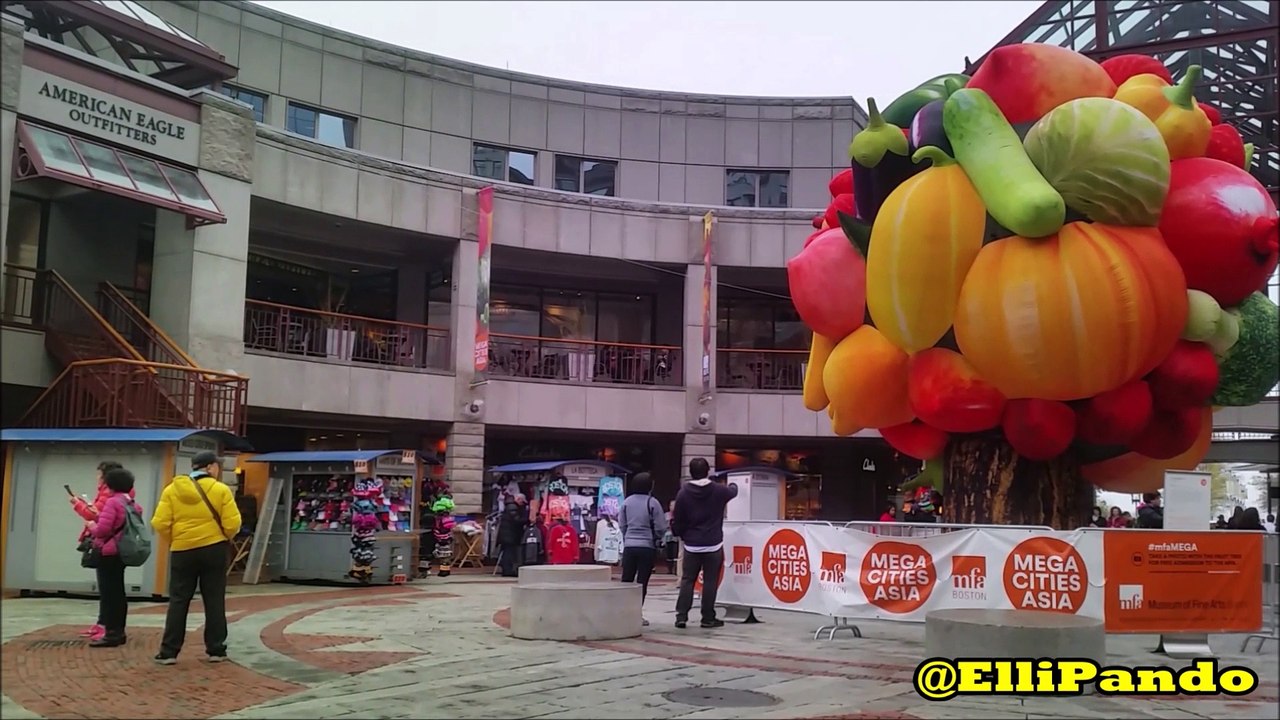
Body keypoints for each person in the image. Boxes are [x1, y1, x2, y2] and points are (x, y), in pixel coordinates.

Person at [151, 451, 242, 665]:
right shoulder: (221, 490)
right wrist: (223, 536)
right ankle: (216, 650)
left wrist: (176, 539)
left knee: (179, 600)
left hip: (182, 550)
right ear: (210, 467)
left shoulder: (172, 489)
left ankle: (169, 652)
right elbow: (233, 523)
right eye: (217, 466)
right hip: (213, 548)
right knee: (214, 599)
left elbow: (160, 522)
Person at [671, 458, 738, 630]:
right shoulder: (719, 490)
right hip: (713, 543)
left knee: (687, 580)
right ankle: (708, 617)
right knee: (710, 581)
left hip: (691, 544)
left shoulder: (683, 493)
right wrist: (732, 484)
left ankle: (681, 616)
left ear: (690, 472)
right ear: (708, 471)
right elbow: (733, 491)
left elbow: (678, 520)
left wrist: (682, 535)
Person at [86, 467, 143, 648]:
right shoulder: (132, 504)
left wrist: (91, 525)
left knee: (109, 594)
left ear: (110, 485)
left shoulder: (112, 503)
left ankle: (111, 633)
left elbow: (103, 530)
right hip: (122, 551)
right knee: (119, 593)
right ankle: (119, 630)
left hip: (109, 552)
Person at [69, 460, 125, 641]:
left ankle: (110, 628)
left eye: (99, 474)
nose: (97, 478)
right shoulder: (124, 498)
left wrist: (79, 506)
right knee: (112, 588)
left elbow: (101, 525)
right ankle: (106, 625)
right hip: (116, 546)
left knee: (110, 589)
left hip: (108, 547)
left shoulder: (111, 499)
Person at [618, 472, 668, 626]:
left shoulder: (626, 502)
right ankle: (637, 614)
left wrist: (628, 536)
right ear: (649, 486)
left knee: (626, 580)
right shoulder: (653, 503)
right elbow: (660, 526)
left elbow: (622, 524)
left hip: (629, 546)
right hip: (647, 546)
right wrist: (656, 537)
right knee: (642, 582)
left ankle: (624, 613)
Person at [497, 494, 528, 577]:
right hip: (510, 535)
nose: (522, 504)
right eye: (522, 502)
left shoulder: (510, 506)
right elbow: (517, 520)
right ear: (519, 499)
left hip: (507, 535)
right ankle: (508, 570)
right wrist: (526, 519)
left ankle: (507, 570)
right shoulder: (513, 507)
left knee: (507, 552)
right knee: (509, 553)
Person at [663, 500, 679, 575]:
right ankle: (669, 569)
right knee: (668, 553)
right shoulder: (666, 515)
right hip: (667, 536)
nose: (673, 507)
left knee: (675, 553)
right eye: (671, 505)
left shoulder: (679, 514)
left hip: (676, 537)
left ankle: (676, 569)